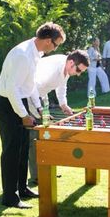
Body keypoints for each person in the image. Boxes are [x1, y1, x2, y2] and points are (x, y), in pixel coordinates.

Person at [0, 22, 66, 209]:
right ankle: (10, 197)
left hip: (20, 99)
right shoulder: (23, 55)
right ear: (48, 41)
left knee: (24, 146)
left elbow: (30, 84)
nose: (56, 48)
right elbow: (12, 89)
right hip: (7, 102)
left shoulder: (36, 53)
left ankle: (22, 188)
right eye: (56, 44)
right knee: (12, 149)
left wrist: (39, 108)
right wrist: (24, 115)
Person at [28, 49, 90, 183]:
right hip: (29, 97)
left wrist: (63, 104)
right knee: (36, 138)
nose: (78, 75)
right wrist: (39, 109)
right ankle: (37, 176)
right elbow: (33, 86)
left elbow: (62, 87)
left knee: (46, 136)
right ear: (71, 62)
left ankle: (46, 170)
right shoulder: (54, 68)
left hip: (41, 97)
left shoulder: (67, 67)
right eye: (79, 70)